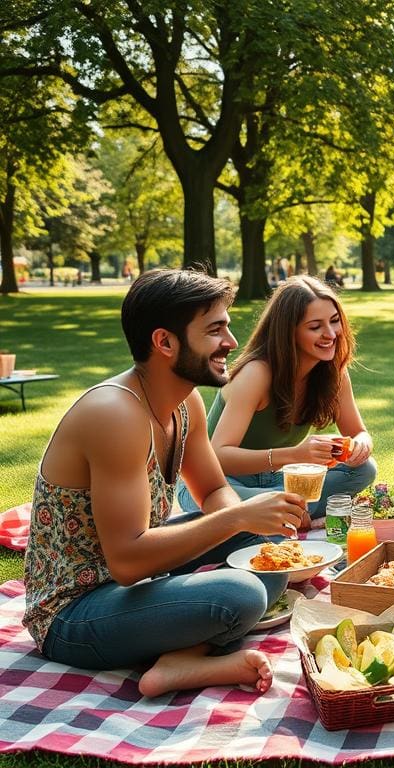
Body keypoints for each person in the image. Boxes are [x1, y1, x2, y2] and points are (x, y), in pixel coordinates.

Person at [23, 269, 305, 698]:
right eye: (215, 330)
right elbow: (128, 562)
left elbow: (212, 491)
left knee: (267, 556)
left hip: (135, 585)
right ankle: (189, 652)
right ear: (165, 342)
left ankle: (181, 660)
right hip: (73, 614)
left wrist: (248, 522)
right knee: (243, 591)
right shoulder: (115, 414)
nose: (231, 342)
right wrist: (238, 519)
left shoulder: (184, 400)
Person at [176, 276, 375, 521]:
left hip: (279, 477)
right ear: (288, 332)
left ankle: (281, 508)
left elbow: (359, 432)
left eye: (335, 321)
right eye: (315, 327)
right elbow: (218, 456)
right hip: (215, 483)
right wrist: (295, 454)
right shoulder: (256, 373)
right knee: (264, 509)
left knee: (363, 470)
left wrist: (361, 446)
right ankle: (283, 509)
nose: (331, 334)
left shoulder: (334, 374)